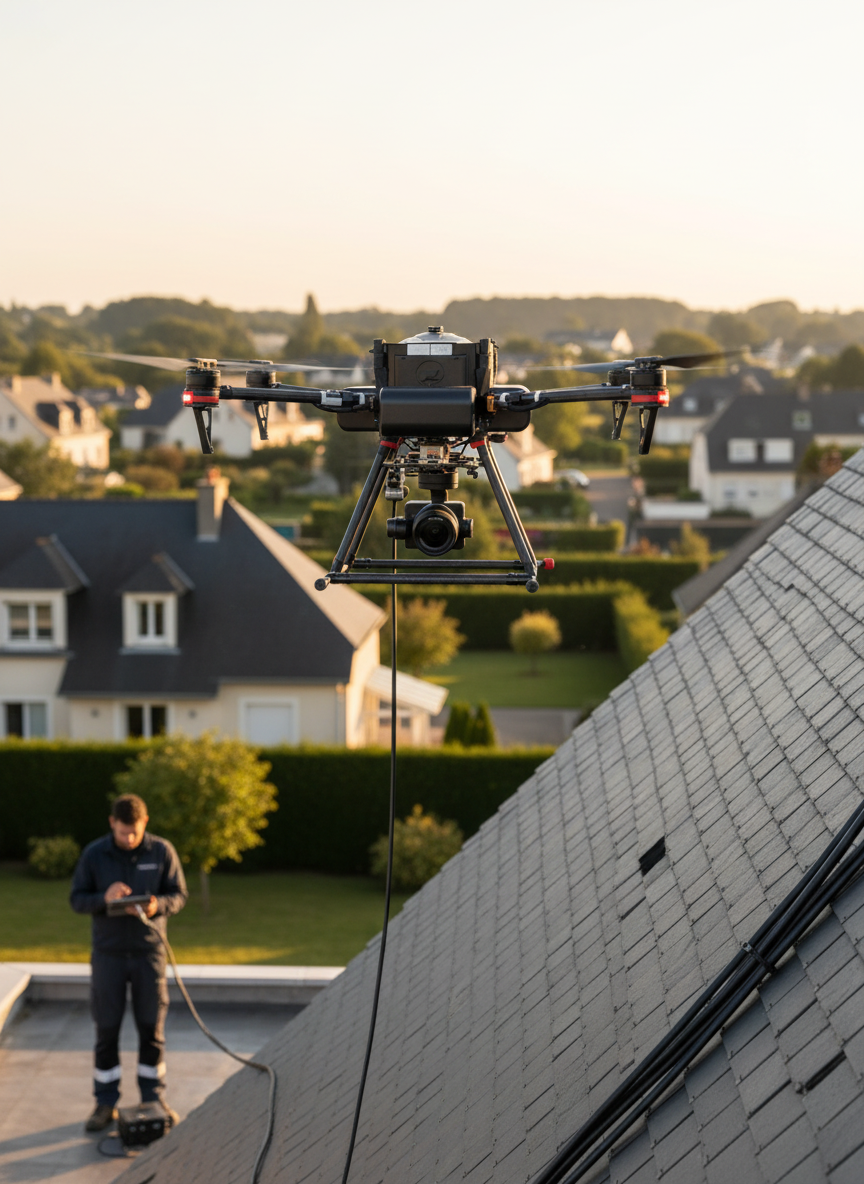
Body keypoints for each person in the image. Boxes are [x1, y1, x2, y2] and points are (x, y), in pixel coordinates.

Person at [70, 793, 188, 1133]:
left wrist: (158, 906)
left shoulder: (162, 852)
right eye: (123, 833)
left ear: (145, 822)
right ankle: (105, 1103)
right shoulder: (95, 854)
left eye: (134, 832)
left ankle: (153, 1098)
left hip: (148, 954)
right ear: (112, 824)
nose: (129, 839)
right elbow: (77, 899)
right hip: (108, 956)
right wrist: (103, 899)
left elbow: (179, 895)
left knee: (151, 1028)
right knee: (106, 1029)